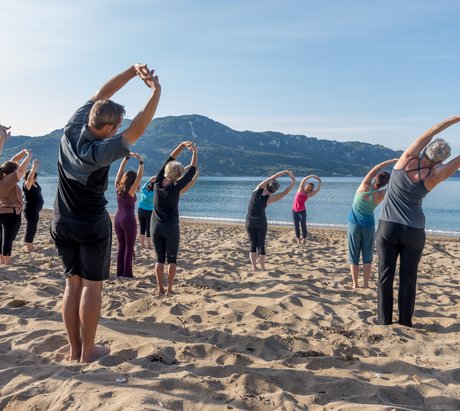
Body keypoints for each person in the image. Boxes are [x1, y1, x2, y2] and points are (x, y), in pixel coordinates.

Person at [50, 64, 161, 362]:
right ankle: (87, 352)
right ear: (110, 129)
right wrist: (156, 92)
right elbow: (138, 127)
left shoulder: (71, 127)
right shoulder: (100, 151)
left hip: (61, 220)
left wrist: (130, 71)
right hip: (90, 225)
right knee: (91, 287)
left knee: (71, 284)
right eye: (116, 127)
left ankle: (74, 350)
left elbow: (102, 93)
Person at [376, 115, 460, 327]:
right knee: (408, 278)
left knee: (385, 275)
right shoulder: (436, 174)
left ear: (427, 149)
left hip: (388, 226)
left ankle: (384, 321)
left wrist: (457, 117)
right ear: (440, 160)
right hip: (414, 230)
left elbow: (430, 131)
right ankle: (405, 322)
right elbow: (458, 161)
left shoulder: (406, 159)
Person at [151, 141, 197, 295]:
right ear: (178, 176)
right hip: (171, 227)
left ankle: (160, 288)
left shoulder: (157, 181)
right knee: (171, 260)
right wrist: (195, 153)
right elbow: (192, 171)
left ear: (166, 170)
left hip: (156, 226)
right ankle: (169, 288)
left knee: (159, 260)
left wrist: (182, 146)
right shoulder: (176, 187)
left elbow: (170, 158)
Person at [347, 159, 397, 289]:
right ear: (385, 183)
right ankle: (365, 284)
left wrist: (392, 161)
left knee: (354, 255)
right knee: (367, 256)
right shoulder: (382, 194)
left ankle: (355, 284)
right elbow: (395, 185)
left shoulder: (364, 185)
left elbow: (376, 167)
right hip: (369, 225)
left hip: (354, 224)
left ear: (375, 178)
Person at [246, 170, 295, 270]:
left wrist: (283, 172)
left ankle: (254, 267)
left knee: (253, 244)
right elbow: (285, 193)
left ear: (267, 185)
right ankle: (263, 268)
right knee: (261, 245)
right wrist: (293, 181)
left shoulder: (257, 190)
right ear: (274, 190)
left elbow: (271, 177)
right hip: (261, 222)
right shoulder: (270, 198)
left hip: (249, 221)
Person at [114, 153, 144, 278]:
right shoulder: (131, 191)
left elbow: (120, 171)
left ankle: (119, 273)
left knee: (121, 246)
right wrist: (141, 162)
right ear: (132, 181)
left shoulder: (117, 186)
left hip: (117, 219)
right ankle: (127, 274)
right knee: (129, 248)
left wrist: (125, 158)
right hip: (128, 220)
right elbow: (140, 177)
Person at [0, 149, 32, 264]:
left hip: (2, 211)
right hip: (11, 213)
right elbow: (21, 170)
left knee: (3, 238)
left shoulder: (3, 177)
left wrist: (23, 152)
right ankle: (7, 262)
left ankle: (2, 261)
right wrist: (29, 156)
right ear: (12, 172)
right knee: (8, 238)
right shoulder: (8, 181)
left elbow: (13, 161)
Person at [291, 175, 321, 244]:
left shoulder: (309, 194)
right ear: (306, 185)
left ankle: (304, 239)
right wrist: (311, 176)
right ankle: (298, 239)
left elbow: (317, 190)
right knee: (296, 226)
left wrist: (319, 182)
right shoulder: (300, 189)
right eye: (308, 185)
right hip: (294, 211)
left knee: (303, 225)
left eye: (310, 187)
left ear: (311, 189)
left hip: (302, 211)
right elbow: (303, 180)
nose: (308, 187)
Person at [23, 159, 44, 252]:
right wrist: (33, 167)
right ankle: (29, 247)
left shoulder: (35, 183)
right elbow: (29, 179)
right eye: (35, 177)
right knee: (31, 227)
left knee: (33, 227)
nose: (36, 179)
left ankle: (30, 245)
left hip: (35, 210)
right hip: (30, 209)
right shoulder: (27, 185)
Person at [138, 175, 156, 249]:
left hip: (140, 210)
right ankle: (149, 246)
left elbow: (148, 181)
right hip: (149, 212)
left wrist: (153, 177)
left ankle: (142, 245)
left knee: (142, 228)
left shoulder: (143, 190)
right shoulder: (154, 194)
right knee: (148, 229)